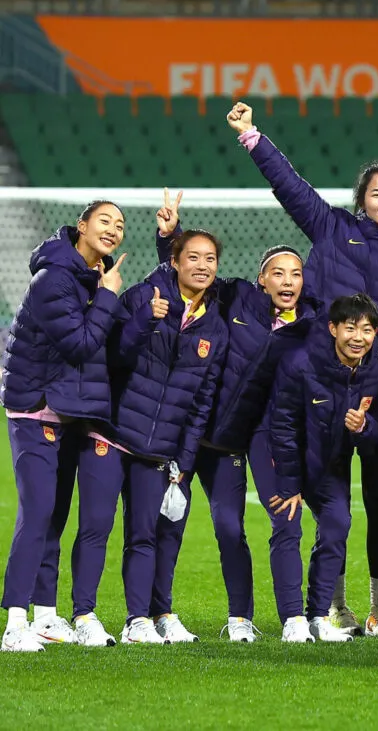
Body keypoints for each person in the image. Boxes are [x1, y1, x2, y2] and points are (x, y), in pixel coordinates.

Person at [227, 101, 378, 635]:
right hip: (320, 379)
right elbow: (290, 187)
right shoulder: (331, 227)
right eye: (376, 194)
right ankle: (332, 606)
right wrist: (252, 137)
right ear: (361, 202)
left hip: (377, 384)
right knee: (332, 498)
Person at [154, 193, 320, 643]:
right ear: (261, 279)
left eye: (296, 273)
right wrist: (167, 236)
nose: (288, 280)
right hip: (202, 433)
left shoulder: (313, 326)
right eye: (278, 273)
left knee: (264, 521)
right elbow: (187, 278)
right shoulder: (236, 298)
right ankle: (191, 616)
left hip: (254, 438)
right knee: (195, 525)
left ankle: (277, 619)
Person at [2, 202, 128, 652]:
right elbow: (78, 344)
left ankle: (47, 617)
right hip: (35, 407)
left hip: (69, 410)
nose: (113, 230)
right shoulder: (54, 278)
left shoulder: (91, 279)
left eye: (119, 225)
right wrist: (110, 295)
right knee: (37, 513)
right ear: (81, 226)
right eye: (104, 221)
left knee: (53, 517)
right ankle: (15, 624)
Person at [94, 229, 228, 645]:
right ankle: (81, 615)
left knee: (146, 534)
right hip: (115, 435)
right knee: (94, 528)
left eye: (210, 259)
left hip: (159, 449)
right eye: (193, 257)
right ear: (175, 261)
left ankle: (142, 620)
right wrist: (146, 318)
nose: (202, 265)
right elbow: (114, 354)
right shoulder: (145, 296)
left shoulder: (216, 328)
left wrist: (184, 463)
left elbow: (202, 404)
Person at [266, 293, 378, 643]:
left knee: (337, 525)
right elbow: (284, 426)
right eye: (350, 328)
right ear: (333, 328)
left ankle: (318, 616)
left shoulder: (376, 371)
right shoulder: (301, 363)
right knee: (287, 530)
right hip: (287, 461)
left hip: (330, 466)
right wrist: (289, 485)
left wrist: (363, 429)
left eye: (366, 330)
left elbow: (377, 437)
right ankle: (290, 621)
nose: (358, 337)